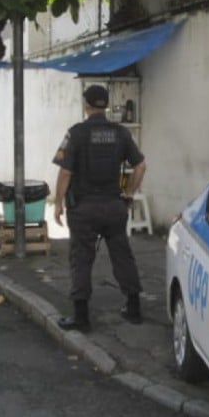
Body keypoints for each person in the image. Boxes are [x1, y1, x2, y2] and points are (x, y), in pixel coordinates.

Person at [52, 84, 147, 331]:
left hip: (83, 208)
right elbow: (141, 166)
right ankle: (134, 307)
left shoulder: (76, 133)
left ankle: (81, 317)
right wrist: (129, 194)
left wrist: (58, 203)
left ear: (86, 105)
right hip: (114, 206)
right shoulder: (121, 133)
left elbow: (65, 172)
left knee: (81, 259)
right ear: (105, 105)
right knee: (122, 255)